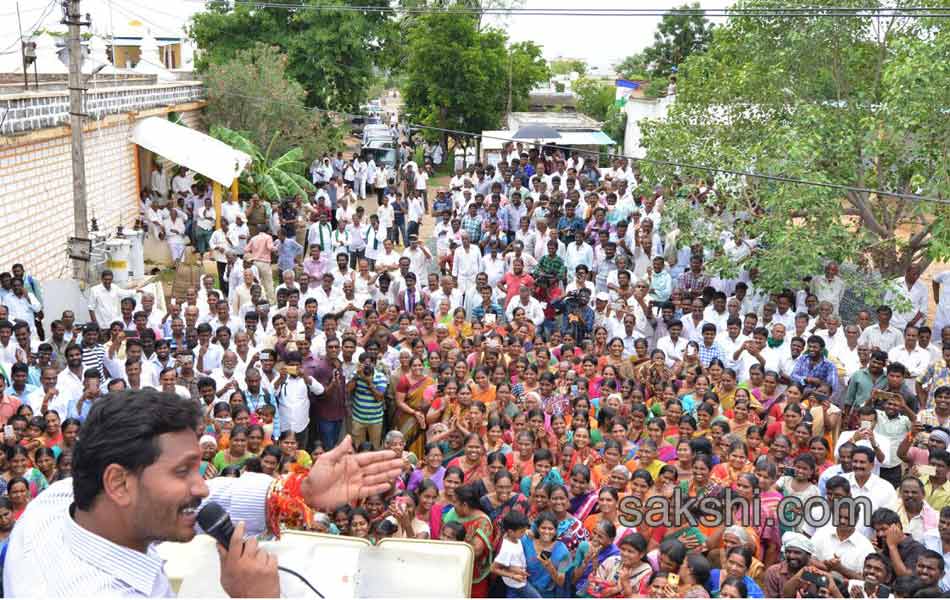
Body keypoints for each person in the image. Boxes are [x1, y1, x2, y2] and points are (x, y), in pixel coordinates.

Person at [3, 390, 403, 596]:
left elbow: (205, 498)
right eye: (183, 471)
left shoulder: (58, 503)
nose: (202, 486)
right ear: (119, 483)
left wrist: (297, 489)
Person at [491, 510, 540, 598]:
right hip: (518, 583)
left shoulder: (513, 537)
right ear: (510, 532)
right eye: (522, 531)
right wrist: (513, 576)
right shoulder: (506, 549)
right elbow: (493, 569)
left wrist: (526, 531)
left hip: (518, 580)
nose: (524, 533)